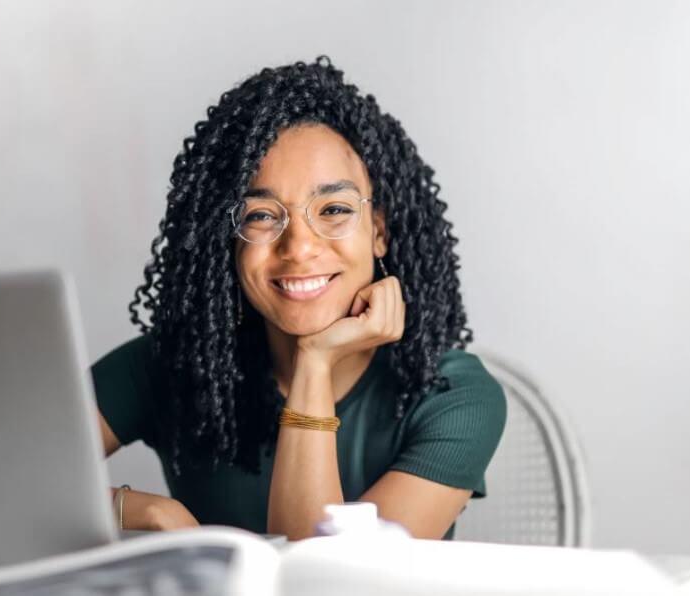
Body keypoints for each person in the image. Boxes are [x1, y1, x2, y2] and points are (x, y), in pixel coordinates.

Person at [90, 56, 506, 541]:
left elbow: (327, 583)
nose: (300, 247)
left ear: (379, 231)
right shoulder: (171, 364)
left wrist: (315, 361)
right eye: (261, 216)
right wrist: (143, 511)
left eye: (333, 209)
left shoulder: (452, 396)